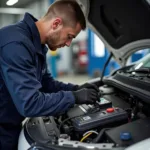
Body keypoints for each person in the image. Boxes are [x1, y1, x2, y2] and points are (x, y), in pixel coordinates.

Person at [0, 0, 99, 149]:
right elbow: (30, 103)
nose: (68, 44)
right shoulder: (16, 44)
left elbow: (47, 84)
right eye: (70, 36)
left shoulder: (36, 45)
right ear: (56, 24)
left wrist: (76, 89)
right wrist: (73, 98)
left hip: (9, 125)